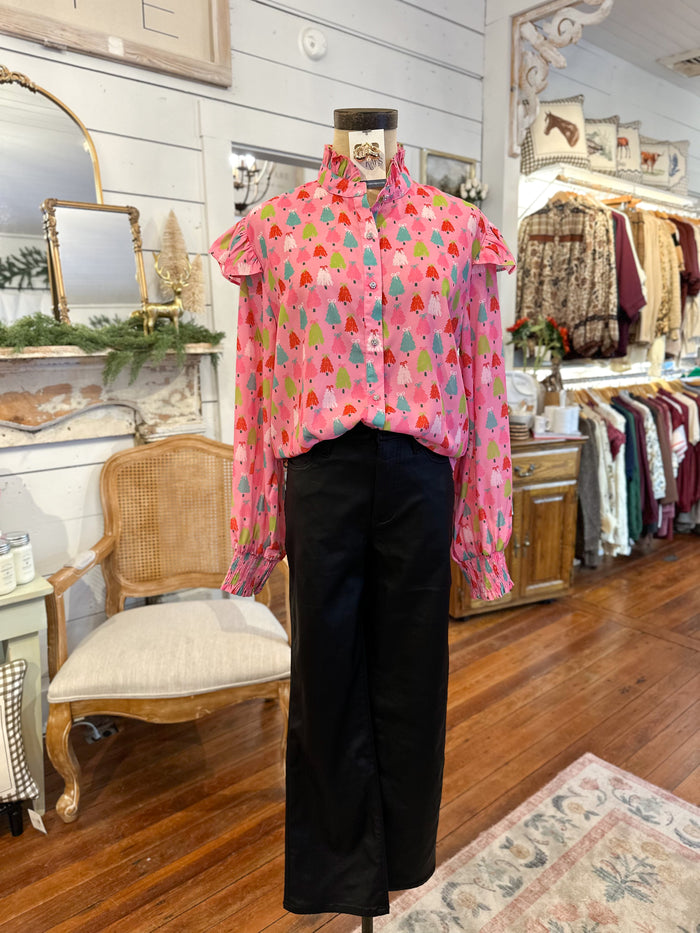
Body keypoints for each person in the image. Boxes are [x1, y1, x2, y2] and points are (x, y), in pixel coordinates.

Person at [210, 108, 515, 919]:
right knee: (323, 678)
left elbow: (484, 380)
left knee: (414, 676)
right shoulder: (275, 228)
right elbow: (258, 382)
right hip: (323, 477)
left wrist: (484, 527)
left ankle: (402, 862)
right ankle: (337, 876)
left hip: (420, 473)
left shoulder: (457, 230)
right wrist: (255, 525)